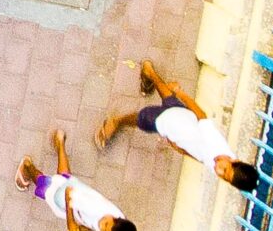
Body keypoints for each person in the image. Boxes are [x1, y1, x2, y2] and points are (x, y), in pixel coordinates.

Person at [96, 60, 259, 193]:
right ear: (234, 160)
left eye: (224, 177)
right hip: (166, 121)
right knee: (141, 119)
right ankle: (117, 121)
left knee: (168, 98)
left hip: (181, 118)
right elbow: (201, 116)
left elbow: (201, 157)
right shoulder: (216, 143)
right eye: (225, 170)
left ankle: (149, 71)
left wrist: (180, 149)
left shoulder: (219, 162)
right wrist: (181, 93)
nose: (219, 171)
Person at [18, 124, 138, 231]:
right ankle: (28, 166)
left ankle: (60, 142)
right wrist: (72, 223)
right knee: (44, 185)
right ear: (115, 219)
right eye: (106, 225)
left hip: (76, 191)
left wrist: (83, 229)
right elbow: (68, 193)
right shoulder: (93, 207)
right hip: (63, 197)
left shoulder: (117, 221)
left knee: (64, 176)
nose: (102, 227)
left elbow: (95, 224)